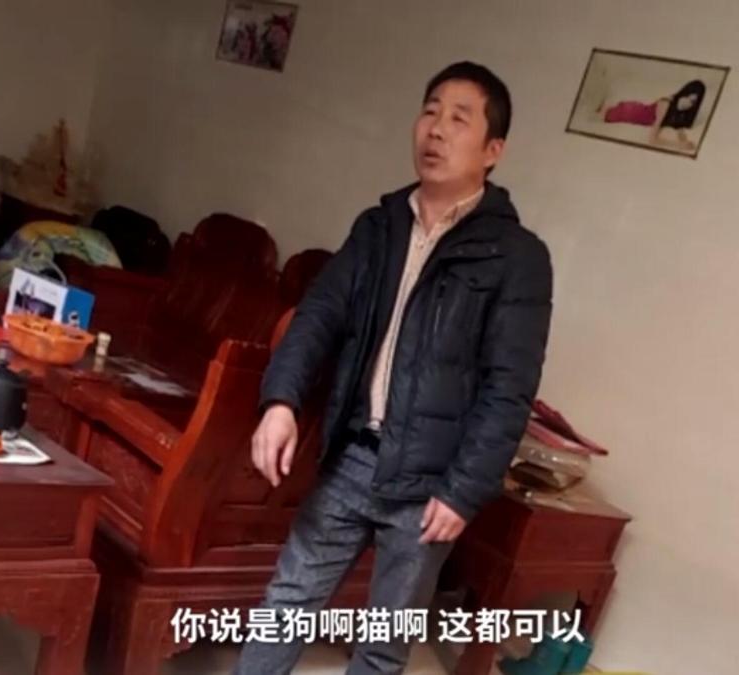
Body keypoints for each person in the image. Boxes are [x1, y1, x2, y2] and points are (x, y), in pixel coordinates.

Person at [236, 61, 553, 675]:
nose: (436, 129)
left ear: (493, 150)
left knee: (382, 648)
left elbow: (509, 389)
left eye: (458, 119)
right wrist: (280, 403)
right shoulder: (378, 228)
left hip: (432, 487)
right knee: (287, 604)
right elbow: (318, 316)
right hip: (352, 457)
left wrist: (464, 491)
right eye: (430, 111)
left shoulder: (517, 258)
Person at [600, 79, 707, 152]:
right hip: (631, 112)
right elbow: (652, 140)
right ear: (684, 92)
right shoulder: (666, 103)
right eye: (688, 97)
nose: (689, 103)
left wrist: (685, 143)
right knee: (605, 115)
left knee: (605, 111)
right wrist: (678, 145)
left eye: (693, 102)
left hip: (637, 111)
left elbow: (679, 130)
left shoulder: (679, 113)